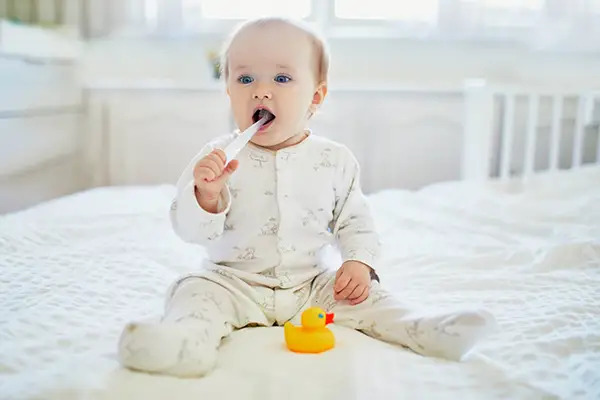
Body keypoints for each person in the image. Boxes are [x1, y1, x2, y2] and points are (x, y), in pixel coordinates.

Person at [117, 17, 495, 377]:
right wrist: (206, 195)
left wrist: (358, 263)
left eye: (282, 78)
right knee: (193, 292)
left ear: (316, 97)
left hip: (312, 286)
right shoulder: (217, 157)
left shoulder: (334, 160)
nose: (261, 91)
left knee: (370, 298)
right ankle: (184, 346)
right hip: (232, 282)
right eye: (245, 78)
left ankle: (424, 330)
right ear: (229, 91)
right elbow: (188, 230)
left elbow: (355, 221)